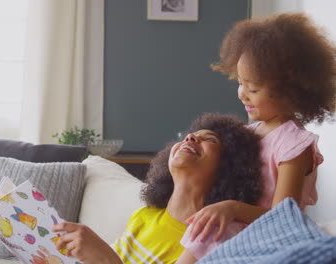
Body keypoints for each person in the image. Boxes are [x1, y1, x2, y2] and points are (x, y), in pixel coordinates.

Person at [186, 12, 335, 244]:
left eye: (253, 89)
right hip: (240, 233)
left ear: (291, 93)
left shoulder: (294, 146)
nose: (242, 94)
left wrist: (232, 208)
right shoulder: (251, 133)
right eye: (239, 83)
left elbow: (284, 217)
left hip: (269, 240)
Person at [51, 113, 262, 264]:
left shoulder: (212, 238)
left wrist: (104, 258)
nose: (191, 138)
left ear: (229, 167)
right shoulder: (145, 215)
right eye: (188, 136)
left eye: (210, 140)